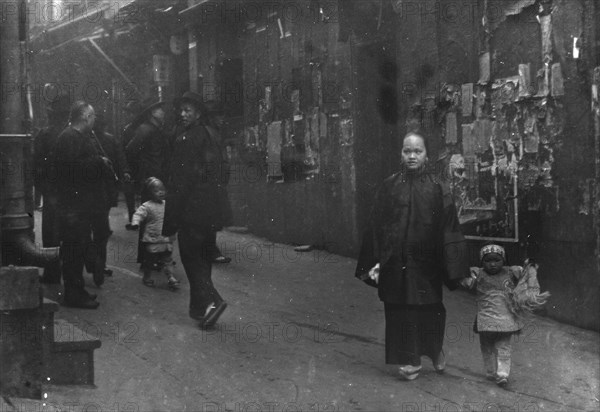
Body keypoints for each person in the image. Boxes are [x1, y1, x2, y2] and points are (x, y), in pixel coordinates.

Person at [355, 131, 469, 381]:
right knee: (399, 310)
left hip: (427, 263)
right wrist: (375, 261)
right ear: (401, 154)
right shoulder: (389, 186)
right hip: (395, 261)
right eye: (407, 151)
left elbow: (449, 227)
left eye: (417, 151)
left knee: (430, 309)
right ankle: (411, 359)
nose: (412, 156)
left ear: (427, 154)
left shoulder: (438, 187)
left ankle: (434, 350)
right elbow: (376, 225)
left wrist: (454, 267)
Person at [163, 91, 228, 328]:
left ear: (198, 113)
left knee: (191, 258)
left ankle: (214, 300)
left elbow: (181, 181)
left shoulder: (187, 138)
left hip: (191, 209)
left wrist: (171, 218)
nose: (182, 114)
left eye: (187, 110)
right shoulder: (212, 134)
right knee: (204, 257)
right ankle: (199, 308)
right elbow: (223, 172)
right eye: (180, 110)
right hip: (211, 208)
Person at [460, 244, 550, 388]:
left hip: (506, 319)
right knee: (486, 346)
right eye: (488, 260)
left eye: (497, 260)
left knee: (504, 346)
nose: (493, 264)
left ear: (503, 260)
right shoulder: (478, 274)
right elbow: (467, 282)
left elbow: (526, 273)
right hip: (486, 319)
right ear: (482, 262)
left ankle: (502, 374)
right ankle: (490, 371)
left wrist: (530, 265)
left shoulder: (511, 272)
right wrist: (461, 272)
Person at [52, 101, 113, 309]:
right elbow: (69, 170)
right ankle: (73, 294)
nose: (94, 120)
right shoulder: (69, 137)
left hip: (81, 205)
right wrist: (98, 162)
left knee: (78, 249)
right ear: (86, 117)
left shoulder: (79, 136)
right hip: (72, 207)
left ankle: (77, 289)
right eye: (93, 116)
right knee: (73, 251)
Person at [34, 90, 71, 284]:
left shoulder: (45, 133)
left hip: (52, 192)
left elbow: (36, 164)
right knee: (70, 231)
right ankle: (71, 271)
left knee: (50, 233)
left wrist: (40, 188)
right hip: (72, 192)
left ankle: (52, 272)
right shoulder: (74, 133)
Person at [90, 112, 131, 278]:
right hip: (104, 189)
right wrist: (125, 172)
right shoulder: (109, 139)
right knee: (100, 229)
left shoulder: (89, 139)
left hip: (96, 190)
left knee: (96, 229)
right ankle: (99, 264)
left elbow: (120, 158)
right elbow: (121, 159)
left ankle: (96, 264)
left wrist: (124, 171)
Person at [130, 177, 180, 290]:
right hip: (152, 239)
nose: (160, 192)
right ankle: (147, 277)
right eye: (156, 191)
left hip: (166, 239)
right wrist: (135, 223)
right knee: (149, 261)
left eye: (162, 189)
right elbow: (138, 214)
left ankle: (171, 277)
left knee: (168, 260)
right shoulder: (147, 206)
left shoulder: (168, 204)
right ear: (150, 193)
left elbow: (174, 216)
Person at [204, 100, 232, 264]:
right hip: (211, 180)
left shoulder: (215, 131)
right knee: (210, 216)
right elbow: (211, 159)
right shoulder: (209, 133)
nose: (222, 118)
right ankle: (211, 250)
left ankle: (209, 248)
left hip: (215, 179)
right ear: (211, 117)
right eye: (218, 115)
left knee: (212, 216)